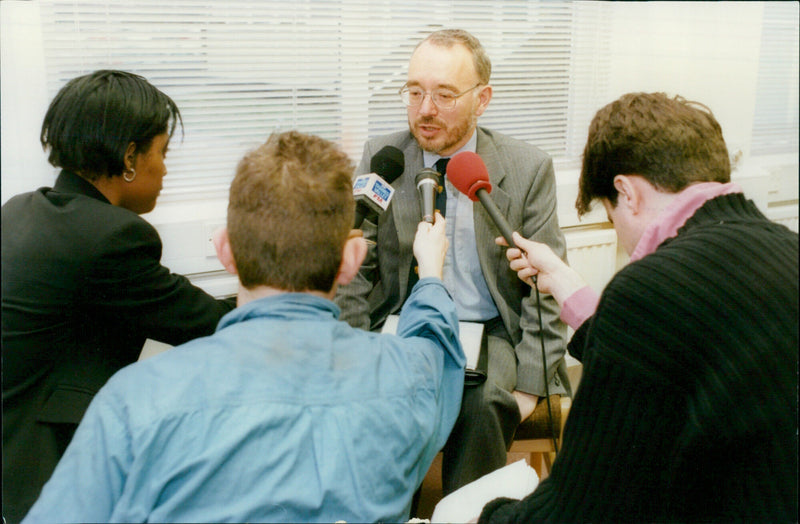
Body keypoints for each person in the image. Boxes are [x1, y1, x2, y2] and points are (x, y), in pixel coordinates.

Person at [22, 130, 466, 523]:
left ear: (224, 250)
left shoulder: (132, 401)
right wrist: (430, 275)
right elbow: (437, 345)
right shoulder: (413, 377)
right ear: (352, 261)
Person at [480, 92, 798, 522]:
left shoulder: (651, 290)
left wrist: (489, 516)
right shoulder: (785, 249)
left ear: (626, 193)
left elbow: (582, 511)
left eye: (611, 218)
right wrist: (566, 284)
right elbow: (676, 357)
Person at [334, 28, 570, 494]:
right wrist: (353, 357)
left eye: (444, 95)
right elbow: (356, 267)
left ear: (482, 99)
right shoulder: (382, 158)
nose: (424, 110)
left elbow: (546, 285)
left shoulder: (528, 168)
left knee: (483, 407)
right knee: (383, 404)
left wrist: (528, 385)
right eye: (415, 91)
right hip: (401, 322)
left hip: (491, 327)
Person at [1, 70, 236, 523]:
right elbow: (206, 325)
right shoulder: (111, 238)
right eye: (162, 153)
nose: (165, 170)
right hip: (58, 481)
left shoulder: (21, 211)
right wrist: (281, 282)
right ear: (130, 157)